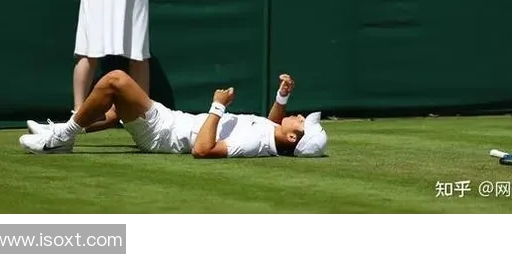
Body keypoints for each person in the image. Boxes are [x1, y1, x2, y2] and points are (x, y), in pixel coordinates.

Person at [19, 71, 328, 158]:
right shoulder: (271, 133)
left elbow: (202, 150)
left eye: (302, 123)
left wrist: (217, 106)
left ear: (292, 138)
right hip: (172, 121)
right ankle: (62, 130)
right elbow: (272, 123)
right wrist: (282, 96)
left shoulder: (255, 144)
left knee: (115, 81)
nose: (300, 116)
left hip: (164, 134)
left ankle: (60, 138)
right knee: (114, 110)